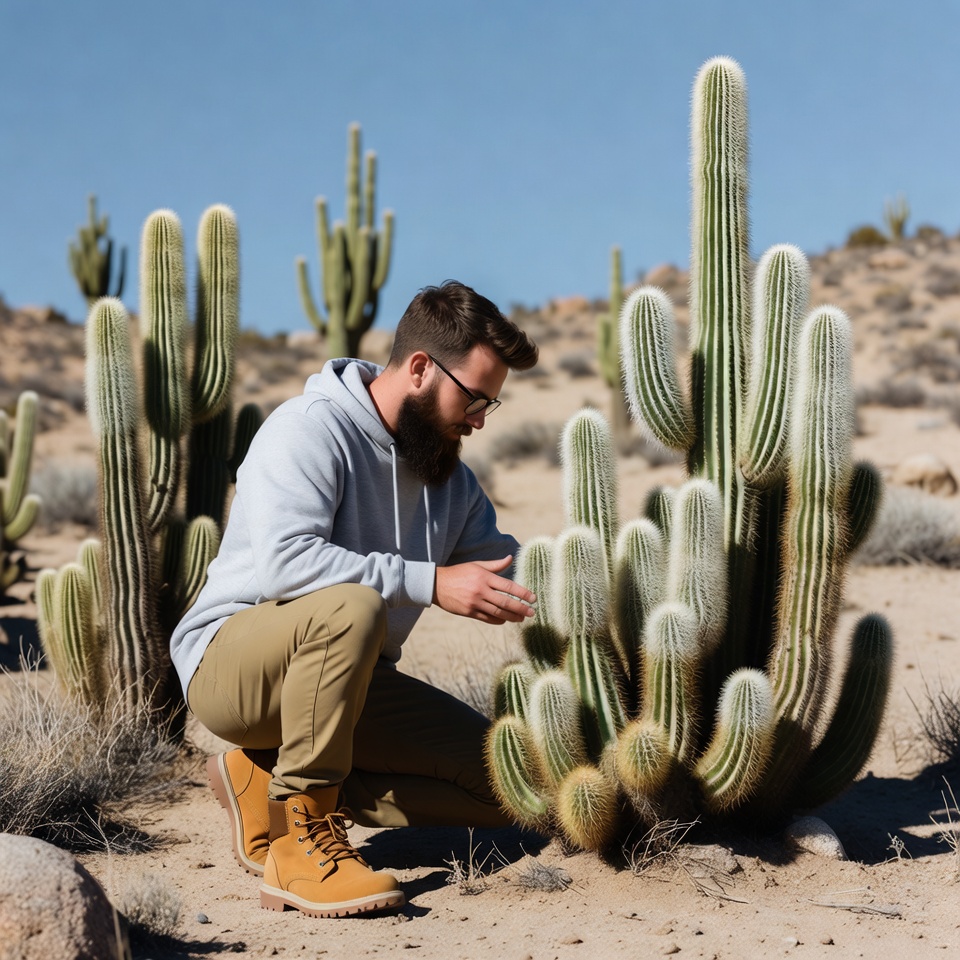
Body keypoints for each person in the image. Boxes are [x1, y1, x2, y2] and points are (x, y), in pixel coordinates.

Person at [170, 280, 539, 919]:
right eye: (475, 397)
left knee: (516, 785)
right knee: (354, 605)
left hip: (348, 687)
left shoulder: (452, 478)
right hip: (232, 665)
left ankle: (261, 779)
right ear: (421, 368)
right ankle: (299, 842)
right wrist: (432, 582)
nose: (480, 419)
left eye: (492, 405)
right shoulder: (309, 428)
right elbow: (288, 565)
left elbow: (508, 567)